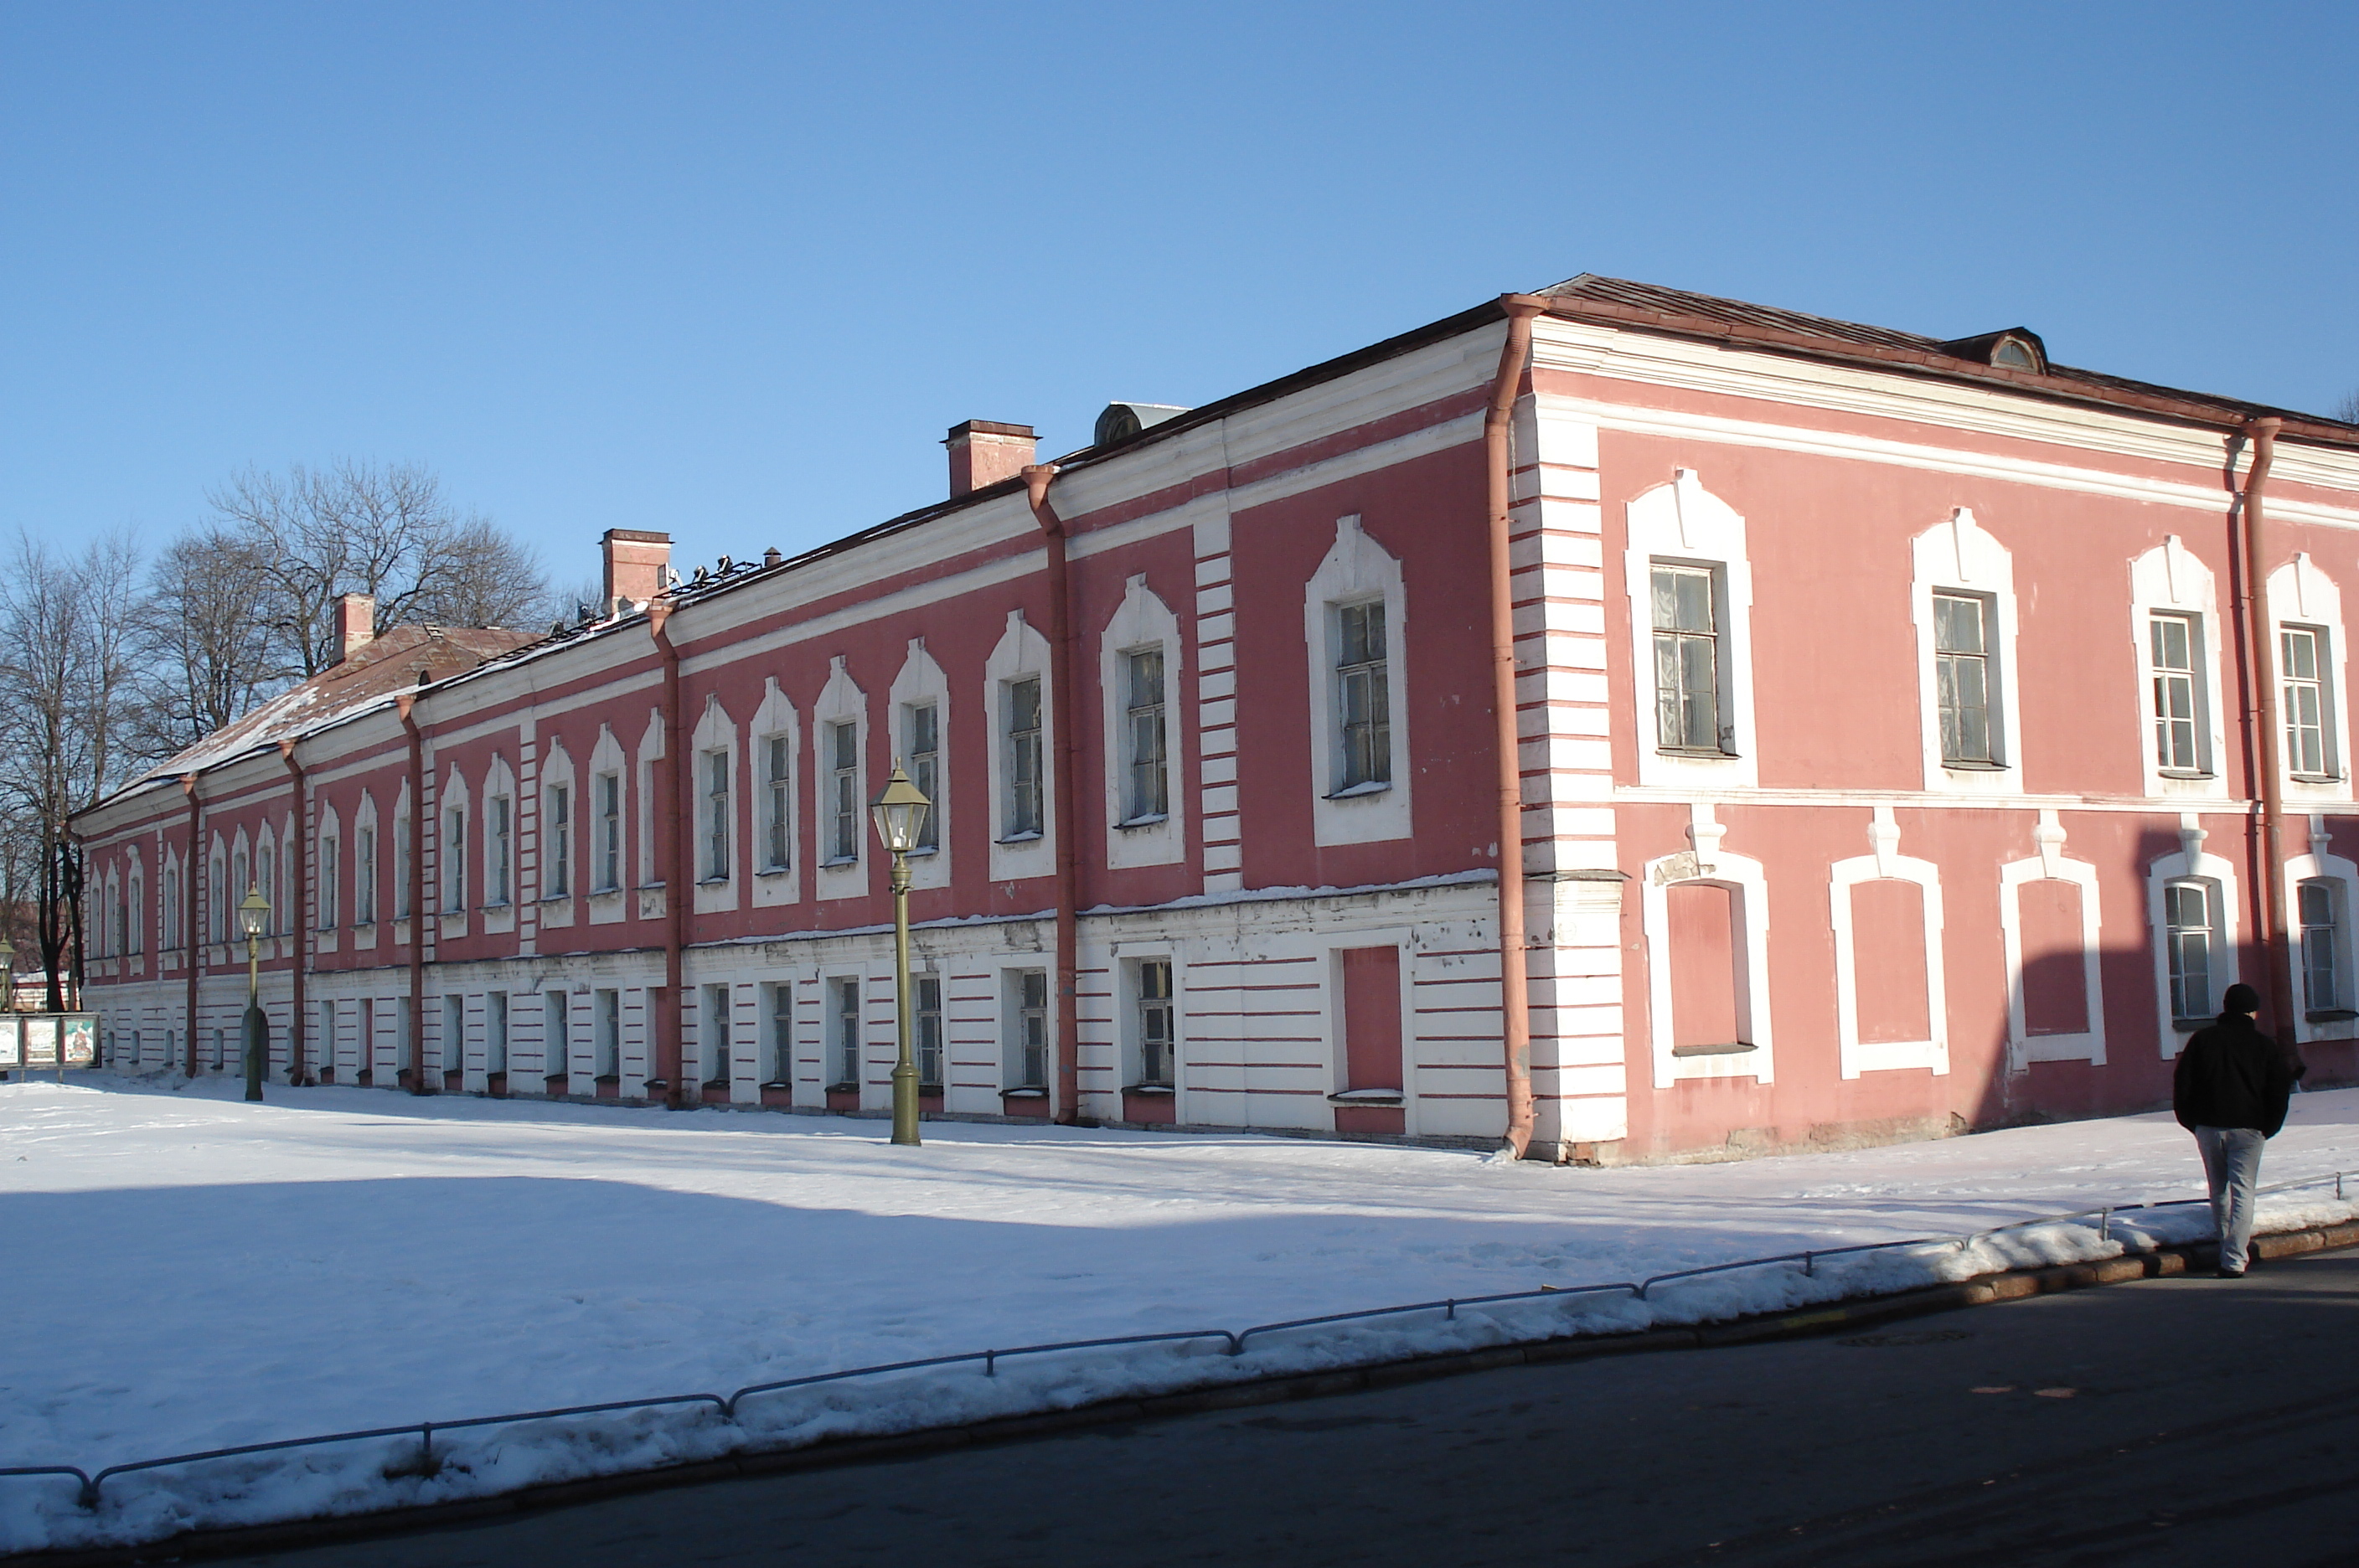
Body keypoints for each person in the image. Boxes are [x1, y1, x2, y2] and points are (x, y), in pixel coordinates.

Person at [2172, 983, 2304, 1278]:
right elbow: (2278, 1090)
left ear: (2225, 1007)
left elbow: (2183, 1084)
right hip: (2250, 1128)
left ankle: (2226, 1250)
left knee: (2218, 1190)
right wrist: (2269, 1127)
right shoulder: (2264, 1046)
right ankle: (2234, 1258)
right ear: (2252, 1012)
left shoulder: (2202, 1040)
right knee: (2243, 1191)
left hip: (2207, 1126)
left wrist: (2192, 1122)